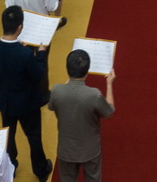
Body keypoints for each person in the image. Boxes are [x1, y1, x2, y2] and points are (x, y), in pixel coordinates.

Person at [0, 6, 50, 180]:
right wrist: (41, 54)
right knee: (34, 136)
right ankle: (40, 169)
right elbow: (37, 74)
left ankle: (11, 165)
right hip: (27, 102)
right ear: (20, 28)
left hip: (5, 100)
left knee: (9, 135)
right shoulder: (26, 54)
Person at [48, 47, 115, 182]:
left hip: (66, 149)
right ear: (87, 71)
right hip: (89, 149)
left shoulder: (56, 91)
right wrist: (109, 84)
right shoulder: (94, 95)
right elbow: (109, 112)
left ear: (67, 68)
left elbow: (52, 107)